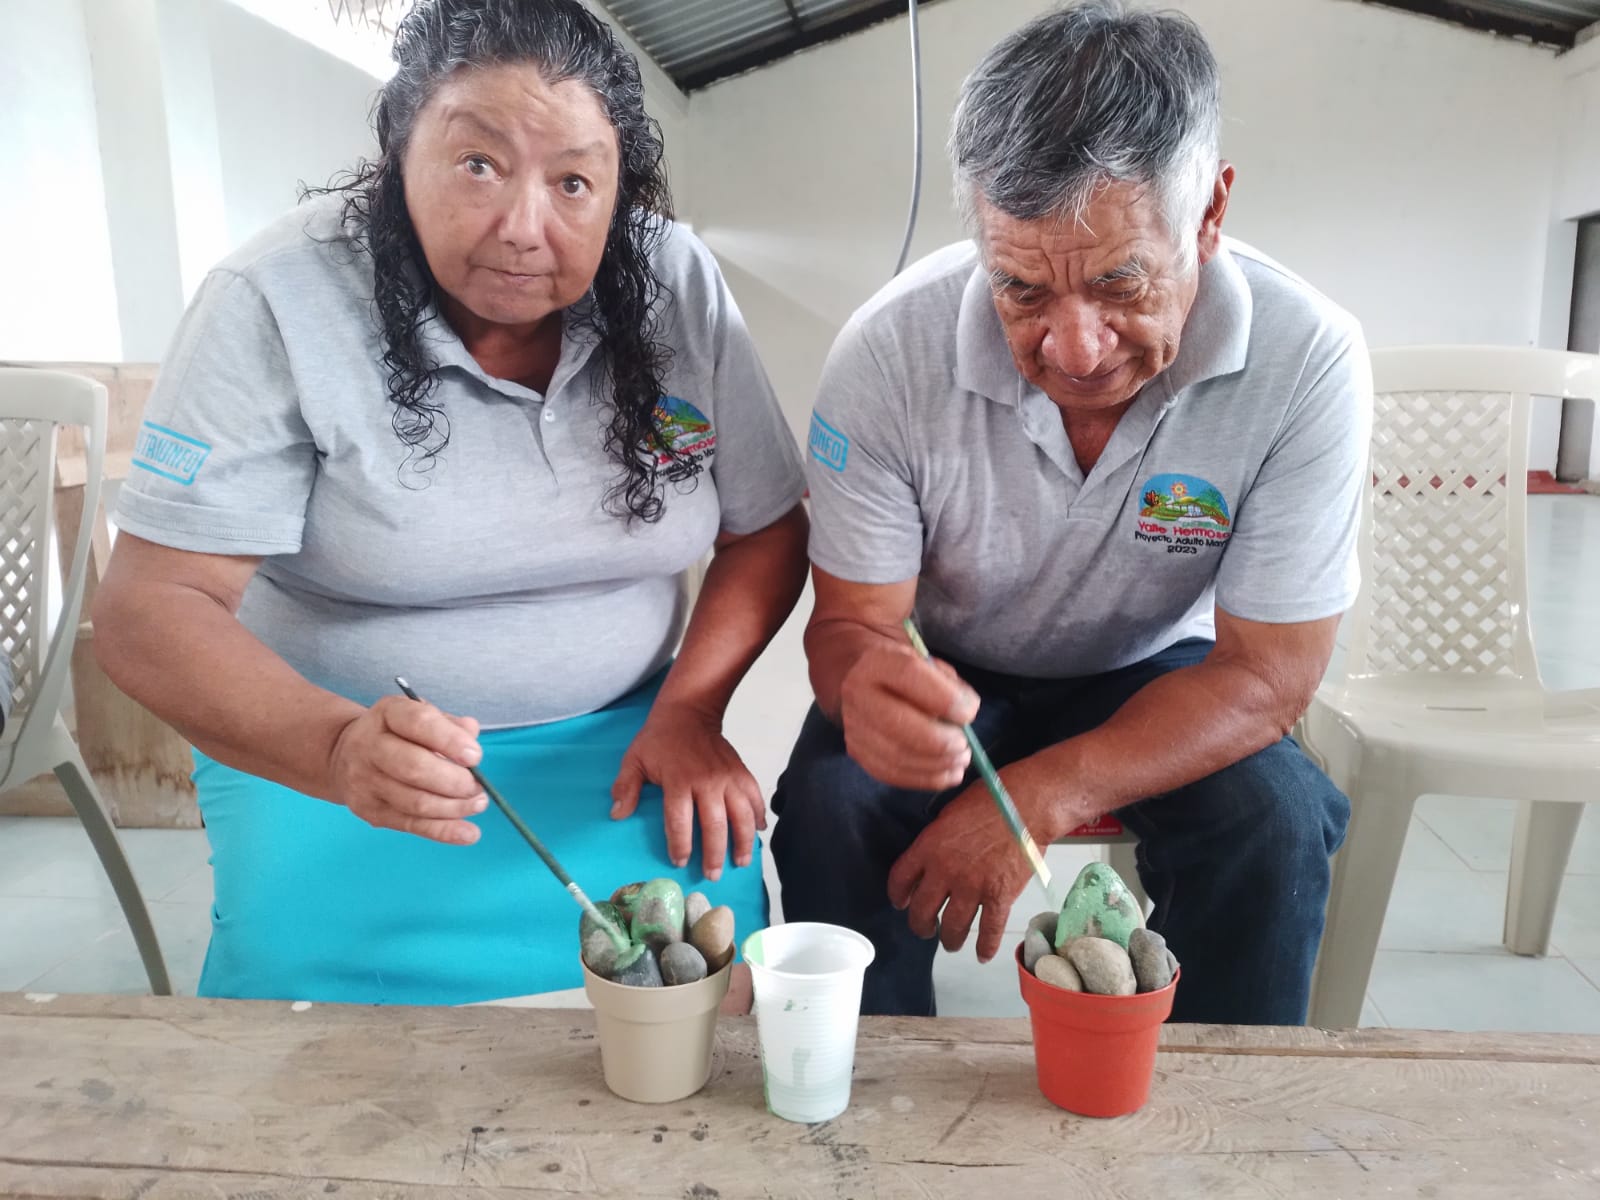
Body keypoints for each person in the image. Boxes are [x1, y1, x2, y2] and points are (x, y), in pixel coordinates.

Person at [93, 0, 808, 1006]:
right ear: (399, 155)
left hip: (629, 743)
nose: (523, 228)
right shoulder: (277, 297)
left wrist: (691, 710)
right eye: (478, 164)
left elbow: (766, 528)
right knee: (312, 1039)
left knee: (704, 1000)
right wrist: (336, 748)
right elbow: (148, 610)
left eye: (573, 182)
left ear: (620, 189)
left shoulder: (673, 280)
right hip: (339, 752)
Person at [772, 0, 1370, 1024]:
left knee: (1274, 822)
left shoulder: (1306, 357)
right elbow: (852, 625)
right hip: (951, 665)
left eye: (1120, 283)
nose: (1076, 350)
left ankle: (1222, 1104)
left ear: (1210, 213)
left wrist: (1040, 797)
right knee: (833, 806)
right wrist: (865, 684)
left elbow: (1268, 675)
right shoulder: (887, 353)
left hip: (1161, 664)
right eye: (1021, 291)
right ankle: (861, 1085)